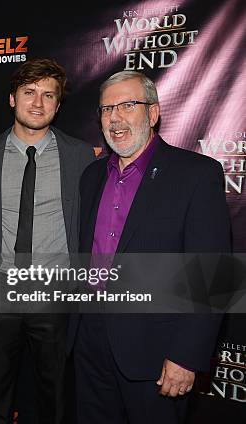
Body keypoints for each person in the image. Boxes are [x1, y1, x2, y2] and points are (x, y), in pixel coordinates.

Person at [69, 71, 231, 423]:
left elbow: (214, 275)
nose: (115, 117)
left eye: (128, 105)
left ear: (153, 114)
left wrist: (187, 355)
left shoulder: (196, 174)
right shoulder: (92, 176)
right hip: (89, 341)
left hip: (156, 351)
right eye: (106, 108)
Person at [0, 58, 95, 423]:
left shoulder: (80, 156)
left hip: (54, 292)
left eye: (48, 95)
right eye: (29, 92)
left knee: (54, 398)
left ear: (57, 104)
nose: (38, 103)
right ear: (12, 99)